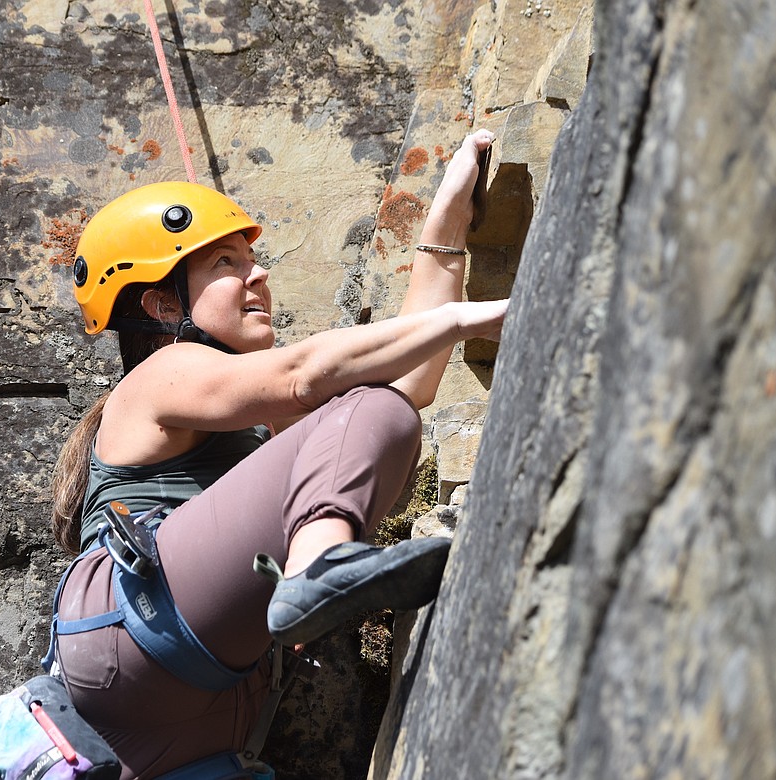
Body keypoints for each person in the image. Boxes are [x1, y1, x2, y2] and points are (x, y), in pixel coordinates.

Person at [47, 129, 506, 778]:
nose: (258, 272)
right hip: (135, 616)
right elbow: (307, 377)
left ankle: (314, 570)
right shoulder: (161, 374)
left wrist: (447, 223)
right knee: (368, 409)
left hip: (173, 711)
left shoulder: (247, 420)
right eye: (225, 264)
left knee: (378, 411)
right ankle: (316, 564)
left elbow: (407, 388)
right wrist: (471, 319)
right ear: (160, 303)